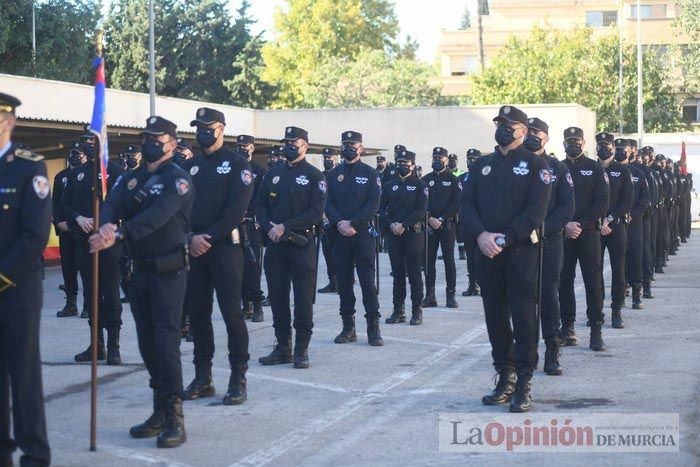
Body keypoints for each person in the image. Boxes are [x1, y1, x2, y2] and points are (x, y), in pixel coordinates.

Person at [90, 116, 193, 448]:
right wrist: (106, 225)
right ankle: (158, 411)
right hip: (138, 272)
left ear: (172, 144)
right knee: (148, 345)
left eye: (157, 138)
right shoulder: (131, 178)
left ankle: (175, 417)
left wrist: (119, 232)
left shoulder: (178, 180)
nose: (150, 143)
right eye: (146, 137)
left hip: (169, 273)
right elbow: (111, 204)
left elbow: (157, 217)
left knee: (165, 345)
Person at [461, 105, 551, 412]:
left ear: (523, 131)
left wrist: (506, 237)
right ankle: (505, 375)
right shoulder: (481, 165)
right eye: (500, 123)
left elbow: (536, 212)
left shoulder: (536, 165)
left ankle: (524, 380)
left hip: (520, 251)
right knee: (495, 316)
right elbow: (467, 206)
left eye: (510, 124)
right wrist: (481, 236)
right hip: (487, 251)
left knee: (525, 318)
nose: (503, 128)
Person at [181, 107, 253, 405]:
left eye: (207, 126)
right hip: (194, 249)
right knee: (198, 314)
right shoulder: (191, 165)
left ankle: (238, 378)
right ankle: (203, 377)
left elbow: (236, 210)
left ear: (221, 128)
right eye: (198, 126)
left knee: (231, 314)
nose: (202, 131)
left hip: (224, 248)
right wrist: (189, 238)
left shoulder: (238, 164)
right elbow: (179, 206)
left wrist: (206, 238)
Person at [1, 93, 53, 466]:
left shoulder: (29, 168)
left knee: (24, 379)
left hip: (16, 290)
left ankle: (35, 454)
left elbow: (34, 235)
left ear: (10, 122)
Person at [257, 126, 326, 369]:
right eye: (286, 141)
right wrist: (269, 228)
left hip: (300, 245)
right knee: (277, 297)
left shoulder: (315, 176)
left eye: (293, 142)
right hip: (275, 245)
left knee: (303, 299)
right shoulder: (273, 173)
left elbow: (316, 213)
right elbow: (261, 205)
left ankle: (301, 349)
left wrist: (285, 227)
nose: (288, 145)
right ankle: (283, 346)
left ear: (305, 146)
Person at [61, 134, 125, 364]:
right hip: (84, 242)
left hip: (109, 243)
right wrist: (78, 218)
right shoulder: (76, 173)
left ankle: (113, 344)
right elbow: (64, 205)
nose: (89, 146)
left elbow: (126, 204)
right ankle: (96, 344)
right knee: (91, 294)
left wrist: (110, 224)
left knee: (111, 294)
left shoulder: (116, 171)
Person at [523, 117, 574, 375]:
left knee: (548, 296)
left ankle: (552, 350)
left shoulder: (557, 167)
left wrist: (545, 228)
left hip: (550, 240)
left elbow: (567, 206)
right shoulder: (515, 164)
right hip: (520, 242)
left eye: (537, 132)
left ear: (546, 137)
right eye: (529, 131)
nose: (532, 135)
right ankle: (525, 353)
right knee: (522, 298)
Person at [326, 131, 384, 346]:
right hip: (340, 235)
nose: (349, 147)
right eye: (345, 144)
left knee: (367, 282)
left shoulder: (370, 174)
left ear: (361, 147)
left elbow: (373, 204)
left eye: (353, 144)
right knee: (344, 282)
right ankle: (348, 328)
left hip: (362, 235)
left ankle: (373, 328)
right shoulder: (333, 174)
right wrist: (340, 222)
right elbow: (327, 202)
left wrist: (353, 223)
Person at [558, 126, 609, 351]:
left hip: (588, 233)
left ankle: (596, 329)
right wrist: (566, 224)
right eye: (569, 140)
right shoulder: (558, 168)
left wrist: (581, 223)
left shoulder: (595, 168)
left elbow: (602, 201)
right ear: (563, 143)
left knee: (593, 282)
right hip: (564, 233)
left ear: (584, 142)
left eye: (576, 140)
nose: (572, 144)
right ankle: (567, 329)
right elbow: (552, 202)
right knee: (564, 282)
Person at [381, 150, 428, 326]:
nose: (402, 166)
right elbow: (381, 209)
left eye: (405, 163)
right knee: (398, 274)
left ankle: (417, 311)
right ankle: (398, 310)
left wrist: (404, 224)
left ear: (412, 165)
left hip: (412, 234)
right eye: (399, 163)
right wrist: (391, 224)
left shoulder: (420, 185)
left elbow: (421, 210)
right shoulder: (389, 185)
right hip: (394, 234)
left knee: (414, 274)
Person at [597, 135, 633, 328]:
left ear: (612, 147)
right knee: (595, 272)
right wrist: (598, 221)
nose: (604, 148)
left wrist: (609, 219)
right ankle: (596, 311)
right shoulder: (592, 168)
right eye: (600, 145)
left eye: (607, 145)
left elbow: (627, 200)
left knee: (618, 270)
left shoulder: (622, 170)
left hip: (616, 226)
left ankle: (617, 310)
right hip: (593, 227)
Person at [422, 146, 461, 309]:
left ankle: (450, 295)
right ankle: (430, 295)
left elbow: (457, 203)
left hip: (447, 225)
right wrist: (429, 218)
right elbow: (420, 203)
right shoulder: (425, 179)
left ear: (446, 160)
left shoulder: (453, 179)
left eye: (440, 158)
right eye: (435, 158)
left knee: (449, 260)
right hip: (429, 225)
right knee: (428, 261)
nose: (437, 161)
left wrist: (442, 218)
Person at [237, 134, 266, 323]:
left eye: (245, 145)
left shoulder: (259, 171)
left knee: (253, 266)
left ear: (252, 148)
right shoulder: (232, 169)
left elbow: (261, 197)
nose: (242, 148)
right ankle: (245, 304)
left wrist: (249, 212)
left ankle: (256, 305)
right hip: (234, 224)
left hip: (252, 222)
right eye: (239, 145)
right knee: (237, 266)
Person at [54, 144, 85, 317]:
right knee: (68, 267)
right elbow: (56, 203)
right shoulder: (61, 177)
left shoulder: (91, 173)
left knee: (87, 267)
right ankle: (71, 304)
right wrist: (59, 223)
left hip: (84, 228)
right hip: (66, 229)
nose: (76, 157)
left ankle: (89, 304)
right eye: (73, 153)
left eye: (79, 154)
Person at [318, 148, 339, 294]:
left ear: (335, 159)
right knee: (327, 253)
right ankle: (332, 281)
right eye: (325, 157)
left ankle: (342, 281)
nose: (327, 160)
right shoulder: (320, 175)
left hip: (338, 220)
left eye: (329, 157)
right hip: (324, 220)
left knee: (339, 254)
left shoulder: (340, 174)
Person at [461, 149, 482, 296]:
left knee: (481, 255)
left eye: (474, 159)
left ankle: (483, 283)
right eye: (469, 159)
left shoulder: (487, 176)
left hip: (482, 223)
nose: (471, 161)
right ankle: (472, 284)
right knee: (470, 255)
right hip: (467, 223)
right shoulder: (462, 178)